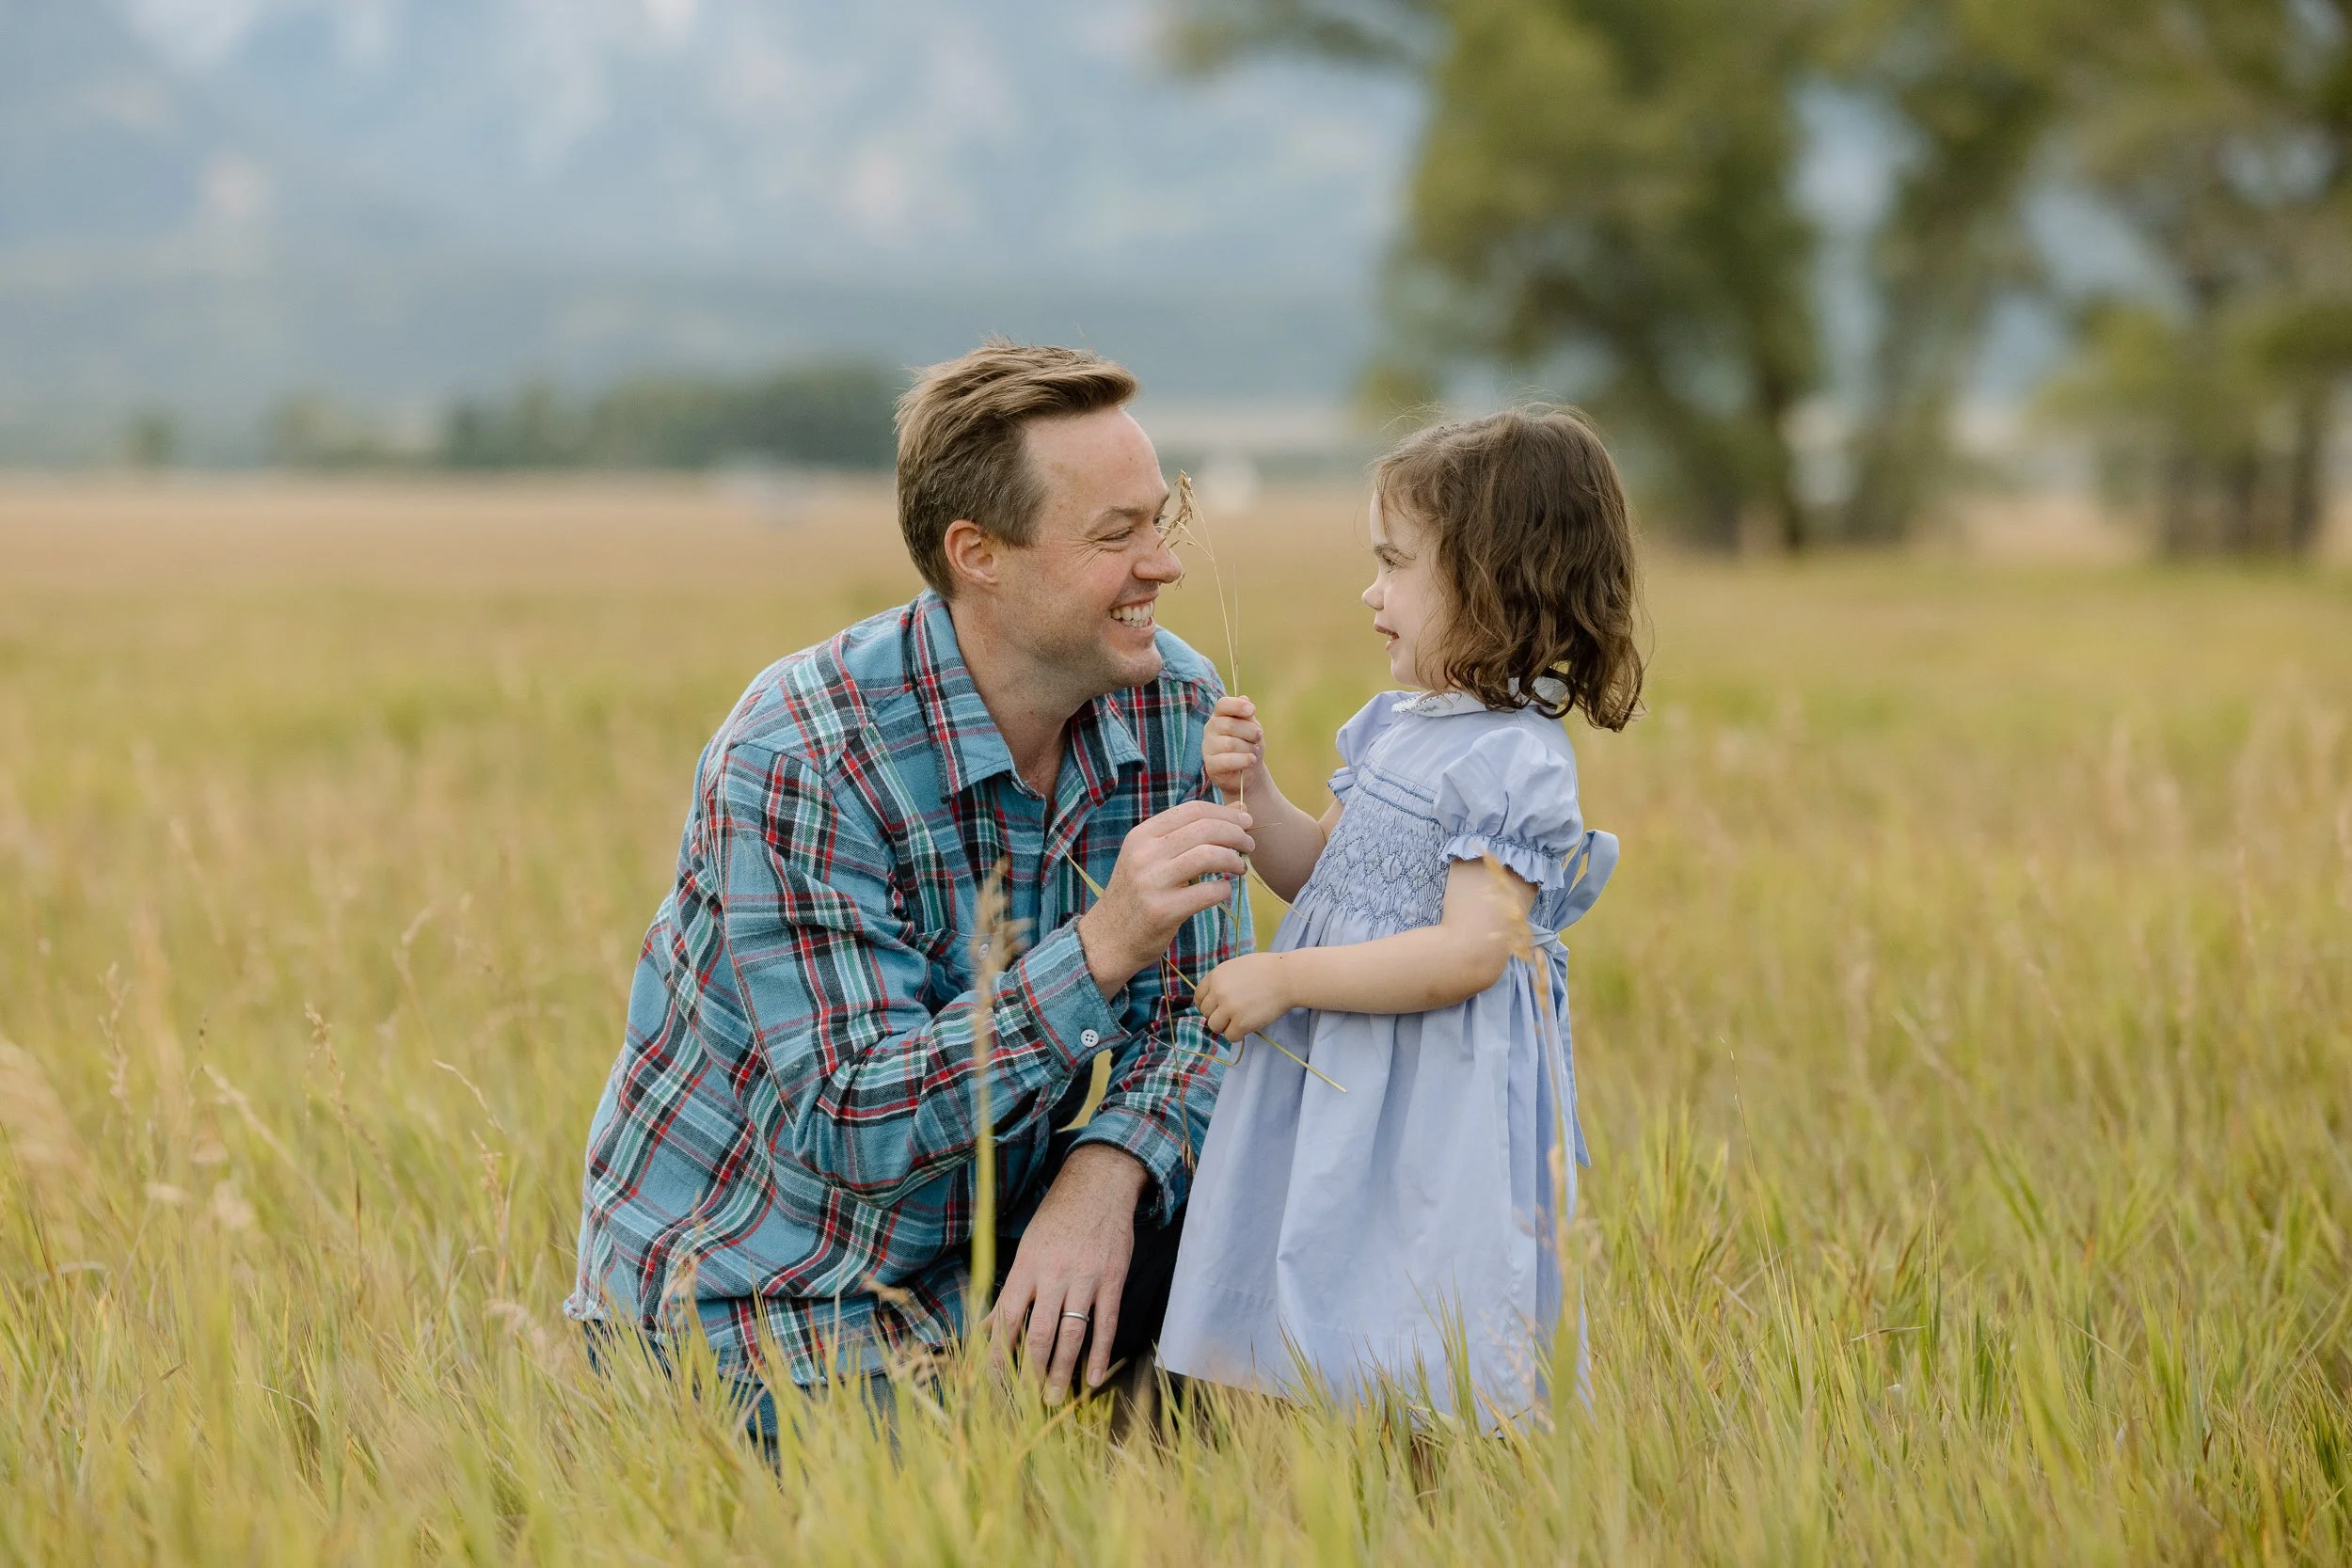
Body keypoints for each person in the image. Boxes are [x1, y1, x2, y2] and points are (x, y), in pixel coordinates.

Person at [566, 342, 1255, 1436]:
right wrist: (1101, 945)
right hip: (770, 1298)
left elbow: (1212, 1018)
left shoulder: (1173, 700)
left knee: (1300, 1227)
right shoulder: (801, 755)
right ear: (977, 553)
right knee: (954, 1523)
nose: (1160, 564)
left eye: (1158, 519)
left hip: (1010, 1247)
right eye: (1115, 534)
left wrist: (1106, 1170)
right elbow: (855, 1123)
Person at [1155, 408, 1646, 1422]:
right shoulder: (1396, 727)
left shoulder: (1509, 757)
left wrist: (1283, 977)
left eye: (1395, 564)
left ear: (1494, 578)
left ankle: (1416, 1488)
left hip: (1422, 1093)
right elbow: (1323, 874)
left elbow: (1471, 950)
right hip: (1345, 1074)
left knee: (1408, 1315)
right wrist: (1254, 798)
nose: (1369, 592)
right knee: (1309, 1288)